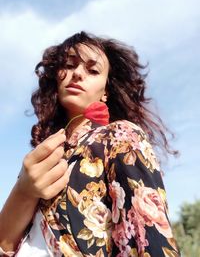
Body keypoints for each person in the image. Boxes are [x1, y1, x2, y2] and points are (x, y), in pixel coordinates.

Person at [0, 31, 180, 257]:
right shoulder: (42, 154)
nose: (77, 74)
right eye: (70, 65)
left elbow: (148, 239)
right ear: (56, 77)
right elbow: (5, 244)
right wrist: (23, 191)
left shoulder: (121, 136)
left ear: (105, 92)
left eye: (92, 70)